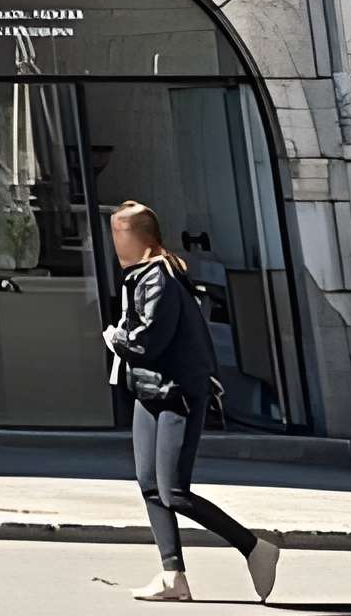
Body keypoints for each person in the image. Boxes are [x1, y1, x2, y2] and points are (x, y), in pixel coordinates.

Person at [106, 199, 279, 603]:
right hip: (150, 391)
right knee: (150, 486)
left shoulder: (158, 279)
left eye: (120, 236)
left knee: (174, 492)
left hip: (176, 395)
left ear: (140, 238)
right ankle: (172, 578)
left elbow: (147, 342)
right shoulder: (142, 276)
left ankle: (255, 548)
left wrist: (115, 339)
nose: (116, 246)